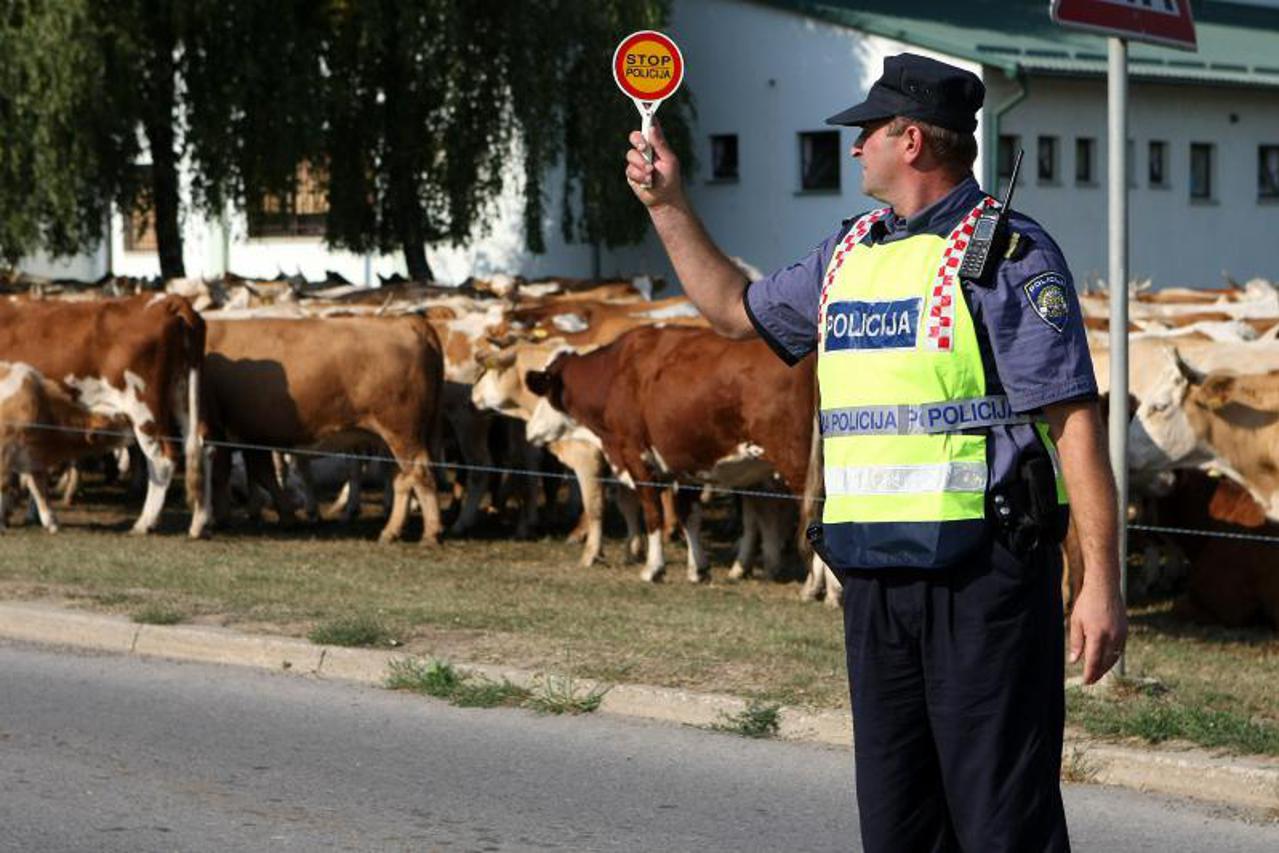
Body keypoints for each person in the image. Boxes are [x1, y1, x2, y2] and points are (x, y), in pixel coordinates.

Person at [625, 53, 1127, 852]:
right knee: (897, 823)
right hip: (873, 579)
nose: (853, 147)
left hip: (982, 579)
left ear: (913, 140)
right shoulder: (845, 253)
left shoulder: (1007, 253)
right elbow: (728, 310)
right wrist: (667, 204)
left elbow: (1074, 423)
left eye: (867, 132)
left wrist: (1099, 582)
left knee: (1001, 820)